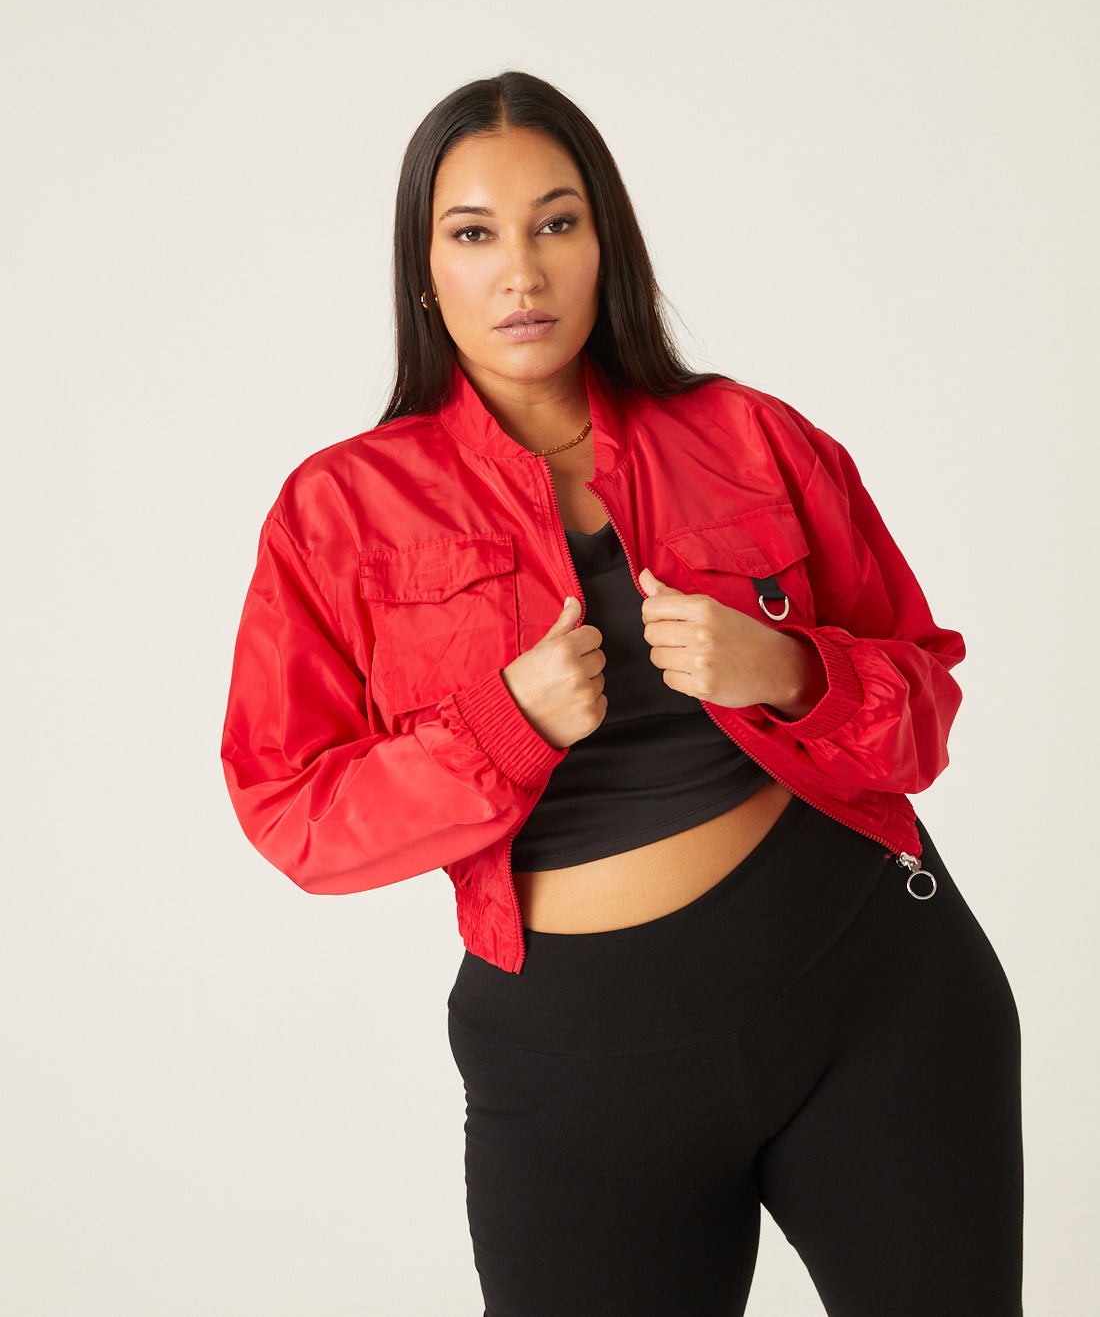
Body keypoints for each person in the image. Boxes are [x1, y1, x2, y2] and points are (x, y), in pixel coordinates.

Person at [221, 71, 1023, 1316]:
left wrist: (790, 669)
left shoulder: (752, 436)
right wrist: (502, 725)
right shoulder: (337, 511)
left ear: (606, 243)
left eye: (556, 222)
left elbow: (920, 709)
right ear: (422, 270)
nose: (521, 272)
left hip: (872, 989)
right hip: (581, 1065)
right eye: (473, 234)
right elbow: (292, 810)